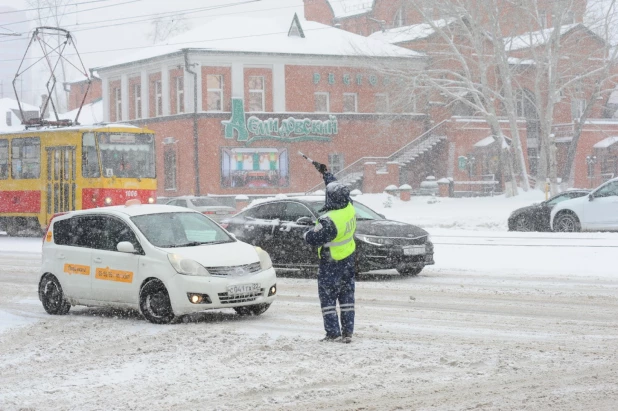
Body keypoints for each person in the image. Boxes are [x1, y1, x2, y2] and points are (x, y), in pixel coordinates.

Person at [303, 160, 357, 344]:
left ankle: (333, 333)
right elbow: (337, 189)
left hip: (331, 264)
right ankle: (347, 332)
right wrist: (326, 174)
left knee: (328, 300)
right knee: (347, 297)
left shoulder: (329, 220)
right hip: (348, 261)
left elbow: (312, 239)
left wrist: (308, 232)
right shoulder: (348, 207)